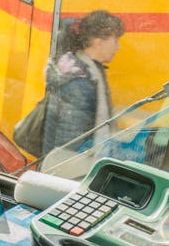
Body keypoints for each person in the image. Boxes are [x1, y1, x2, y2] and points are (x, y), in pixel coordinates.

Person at [42, 10, 125, 156]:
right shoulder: (80, 84)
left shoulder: (91, 70)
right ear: (98, 43)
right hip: (75, 166)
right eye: (115, 41)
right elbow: (69, 146)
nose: (118, 47)